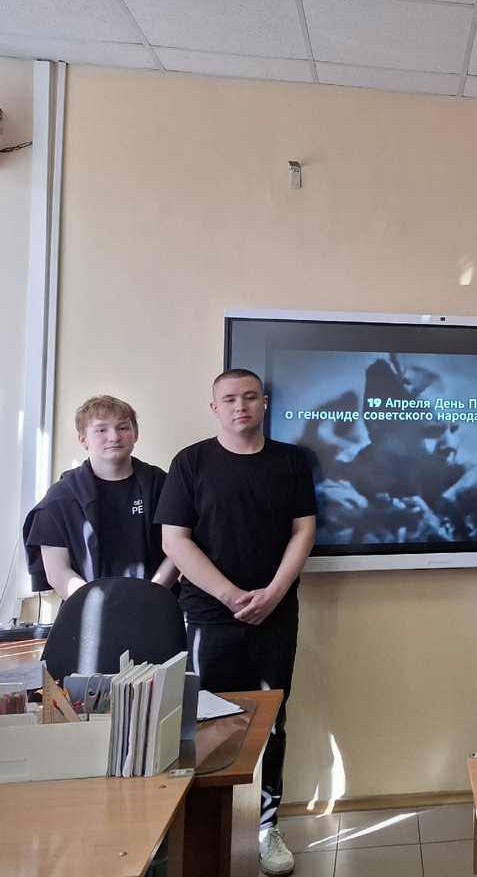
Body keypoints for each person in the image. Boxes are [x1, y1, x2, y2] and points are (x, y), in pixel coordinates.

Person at [155, 369, 317, 877]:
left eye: (249, 397)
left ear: (264, 403)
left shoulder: (292, 461)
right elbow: (174, 540)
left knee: (273, 720)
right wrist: (228, 594)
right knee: (207, 720)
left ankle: (267, 828)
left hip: (275, 614)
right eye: (229, 399)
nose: (240, 406)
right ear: (214, 408)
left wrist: (273, 593)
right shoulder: (191, 462)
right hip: (208, 615)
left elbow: (304, 530)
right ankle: (208, 832)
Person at [23, 395, 175, 597]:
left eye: (123, 427)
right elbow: (58, 572)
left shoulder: (163, 486)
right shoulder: (60, 499)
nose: (114, 437)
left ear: (135, 434)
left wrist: (150, 596)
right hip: (87, 607)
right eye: (101, 430)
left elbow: (179, 548)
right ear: (83, 439)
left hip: (157, 603)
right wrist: (95, 605)